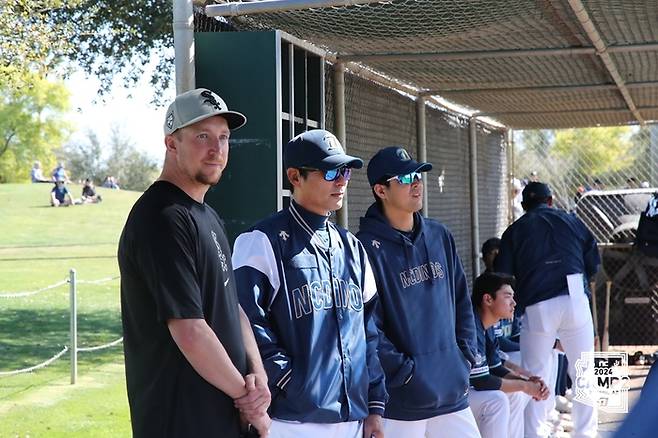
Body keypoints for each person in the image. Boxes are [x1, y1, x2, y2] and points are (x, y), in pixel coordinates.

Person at [118, 88, 271, 438]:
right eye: (202, 136)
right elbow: (189, 329)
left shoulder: (206, 216)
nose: (216, 149)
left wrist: (258, 375)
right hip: (180, 421)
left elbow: (232, 307)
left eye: (223, 137)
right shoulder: (161, 217)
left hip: (224, 417)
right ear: (172, 144)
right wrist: (247, 398)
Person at [232, 129, 386, 438]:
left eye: (345, 171)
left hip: (352, 418)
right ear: (295, 176)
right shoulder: (261, 240)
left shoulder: (352, 247)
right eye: (330, 171)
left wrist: (375, 405)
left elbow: (369, 332)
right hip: (292, 421)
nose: (341, 180)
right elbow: (246, 322)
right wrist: (290, 380)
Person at [356, 146, 481, 438]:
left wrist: (465, 355)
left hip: (452, 392)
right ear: (381, 190)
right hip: (401, 402)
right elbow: (367, 324)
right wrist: (405, 373)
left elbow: (463, 299)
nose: (417, 182)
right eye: (405, 177)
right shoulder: (363, 248)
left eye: (418, 175)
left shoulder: (440, 235)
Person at [495, 181, 600, 438]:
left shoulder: (515, 229)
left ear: (524, 206)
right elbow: (593, 262)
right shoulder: (571, 219)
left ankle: (534, 435)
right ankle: (586, 434)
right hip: (574, 293)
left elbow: (503, 274)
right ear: (550, 200)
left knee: (535, 376)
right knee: (584, 373)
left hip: (538, 301)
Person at [468, 272, 549, 438]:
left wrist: (526, 382)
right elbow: (482, 381)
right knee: (497, 401)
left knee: (514, 394)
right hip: (449, 395)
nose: (513, 303)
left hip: (465, 391)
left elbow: (496, 367)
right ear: (488, 300)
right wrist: (526, 386)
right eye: (507, 297)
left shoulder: (488, 325)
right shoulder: (471, 326)